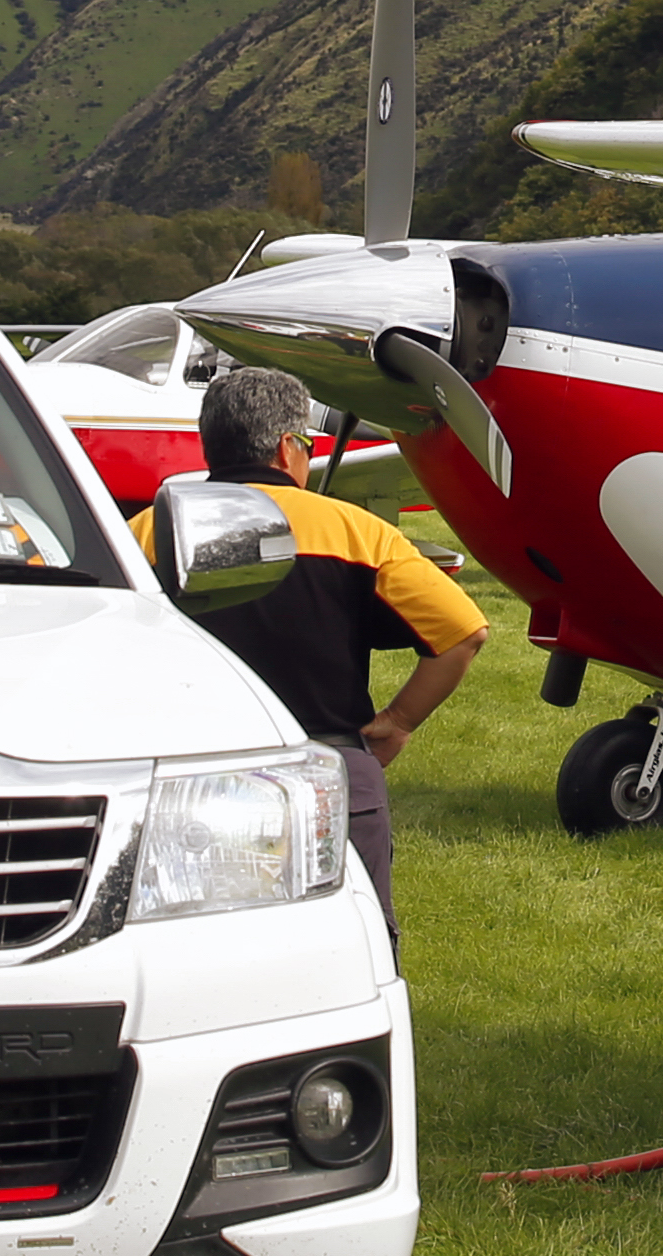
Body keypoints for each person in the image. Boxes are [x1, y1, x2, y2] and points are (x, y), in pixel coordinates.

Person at [157, 364, 487, 930]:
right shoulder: (357, 530)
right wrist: (400, 721)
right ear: (288, 448)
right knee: (354, 941)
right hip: (329, 768)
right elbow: (463, 632)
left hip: (186, 778)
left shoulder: (146, 534)